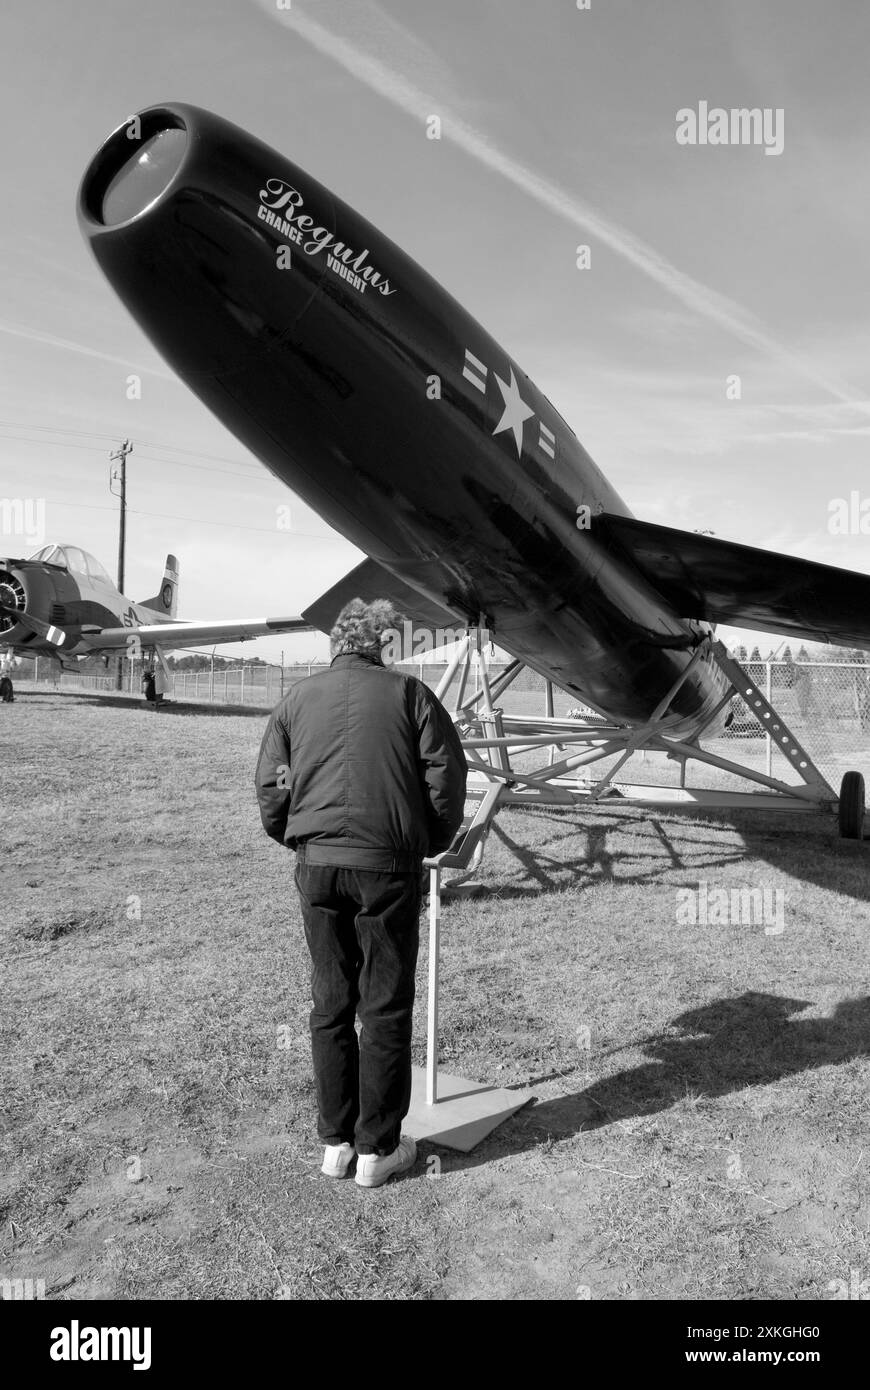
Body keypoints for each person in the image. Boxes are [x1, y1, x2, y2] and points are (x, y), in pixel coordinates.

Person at [255, 599, 467, 1188]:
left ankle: (335, 1143)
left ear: (336, 644)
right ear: (384, 645)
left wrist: (295, 837)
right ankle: (377, 1149)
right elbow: (444, 776)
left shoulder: (296, 701)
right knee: (385, 1005)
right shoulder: (411, 695)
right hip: (388, 868)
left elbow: (275, 781)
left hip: (318, 864)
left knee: (330, 1003)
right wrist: (427, 839)